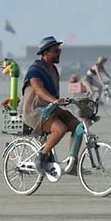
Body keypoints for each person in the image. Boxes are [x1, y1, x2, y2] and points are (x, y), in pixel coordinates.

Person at [22, 36, 80, 175]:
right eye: (55, 50)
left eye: (59, 50)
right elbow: (38, 89)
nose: (59, 52)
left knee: (78, 127)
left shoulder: (53, 70)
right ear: (46, 53)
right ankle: (41, 158)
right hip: (35, 112)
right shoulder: (35, 69)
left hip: (50, 110)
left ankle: (72, 163)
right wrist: (54, 100)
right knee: (60, 129)